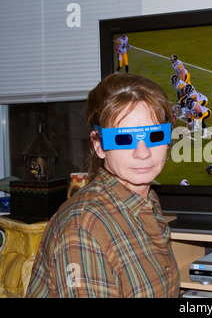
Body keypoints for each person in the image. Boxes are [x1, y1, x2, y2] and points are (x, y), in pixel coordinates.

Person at [26, 73, 180, 298]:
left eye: (155, 136)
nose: (143, 152)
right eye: (124, 139)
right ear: (98, 145)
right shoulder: (81, 229)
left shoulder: (145, 201)